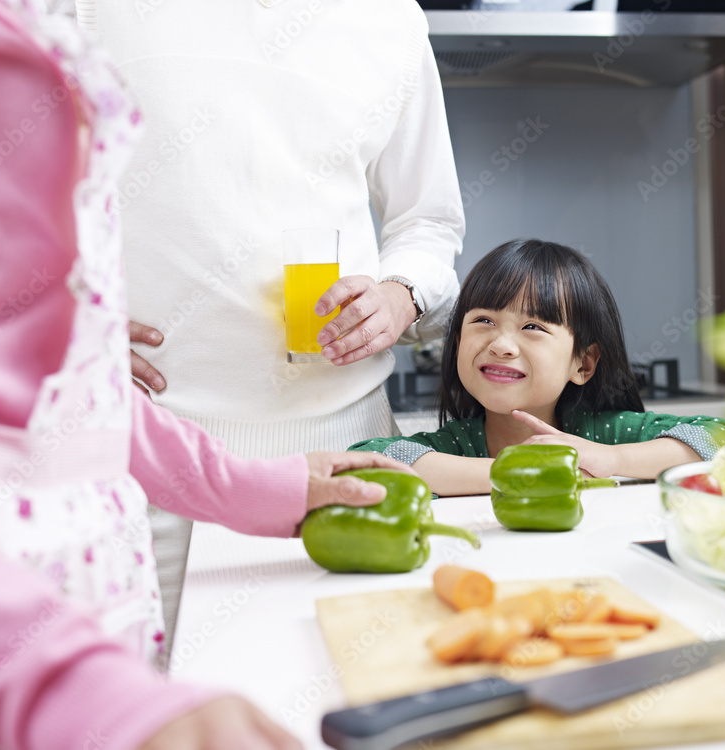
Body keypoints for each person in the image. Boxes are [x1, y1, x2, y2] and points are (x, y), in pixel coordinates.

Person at [0, 1, 408, 747]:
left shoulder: (30, 29)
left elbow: (79, 404)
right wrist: (87, 697)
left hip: (89, 639)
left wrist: (253, 485)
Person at [71, 0, 465, 648]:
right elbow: (4, 196)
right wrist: (61, 319)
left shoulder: (390, 18)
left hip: (347, 449)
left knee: (349, 690)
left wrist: (399, 295)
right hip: (141, 454)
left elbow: (429, 220)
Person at [350, 240, 725, 496]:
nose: (500, 345)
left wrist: (610, 460)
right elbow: (366, 464)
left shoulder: (606, 436)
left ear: (582, 363)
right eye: (483, 321)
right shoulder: (459, 446)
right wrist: (521, 473)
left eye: (533, 327)